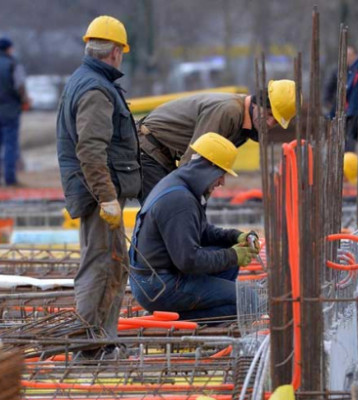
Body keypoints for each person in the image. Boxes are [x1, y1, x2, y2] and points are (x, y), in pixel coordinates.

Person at [56, 16, 140, 353]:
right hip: (98, 195)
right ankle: (90, 348)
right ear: (116, 51)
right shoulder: (95, 89)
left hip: (97, 192)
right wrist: (106, 197)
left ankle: (102, 342)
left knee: (113, 265)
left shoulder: (88, 80)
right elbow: (90, 150)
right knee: (101, 267)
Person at [129, 133, 259, 321]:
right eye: (221, 174)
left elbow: (202, 231)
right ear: (210, 169)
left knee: (227, 263)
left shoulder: (181, 185)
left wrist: (235, 237)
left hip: (156, 278)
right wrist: (232, 255)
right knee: (250, 302)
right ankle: (176, 317)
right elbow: (189, 261)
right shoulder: (180, 201)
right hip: (158, 287)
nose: (222, 182)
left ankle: (199, 305)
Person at [137, 79, 296, 202]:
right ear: (256, 103)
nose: (269, 123)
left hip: (162, 153)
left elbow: (209, 166)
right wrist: (193, 204)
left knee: (173, 210)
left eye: (275, 121)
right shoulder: (229, 112)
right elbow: (194, 159)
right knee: (166, 211)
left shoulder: (244, 125)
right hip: (149, 147)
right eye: (268, 115)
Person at [323, 45, 358, 151]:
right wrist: (330, 105)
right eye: (345, 55)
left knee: (352, 139)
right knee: (340, 138)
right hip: (340, 111)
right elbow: (328, 90)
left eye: (350, 55)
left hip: (355, 113)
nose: (348, 58)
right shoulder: (337, 71)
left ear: (356, 56)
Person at [0, 36, 28, 186]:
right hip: (10, 110)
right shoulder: (13, 64)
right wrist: (25, 101)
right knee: (10, 145)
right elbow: (20, 86)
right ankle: (10, 179)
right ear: (8, 48)